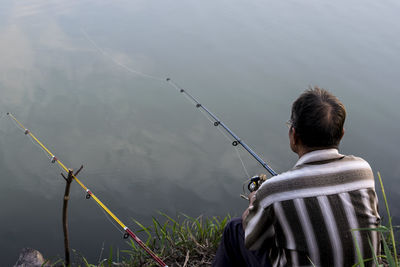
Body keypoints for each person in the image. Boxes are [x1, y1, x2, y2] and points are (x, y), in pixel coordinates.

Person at [212, 87, 381, 267]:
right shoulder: (363, 171)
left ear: (294, 135)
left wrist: (255, 200)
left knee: (234, 228)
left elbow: (252, 239)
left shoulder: (274, 190)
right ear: (341, 134)